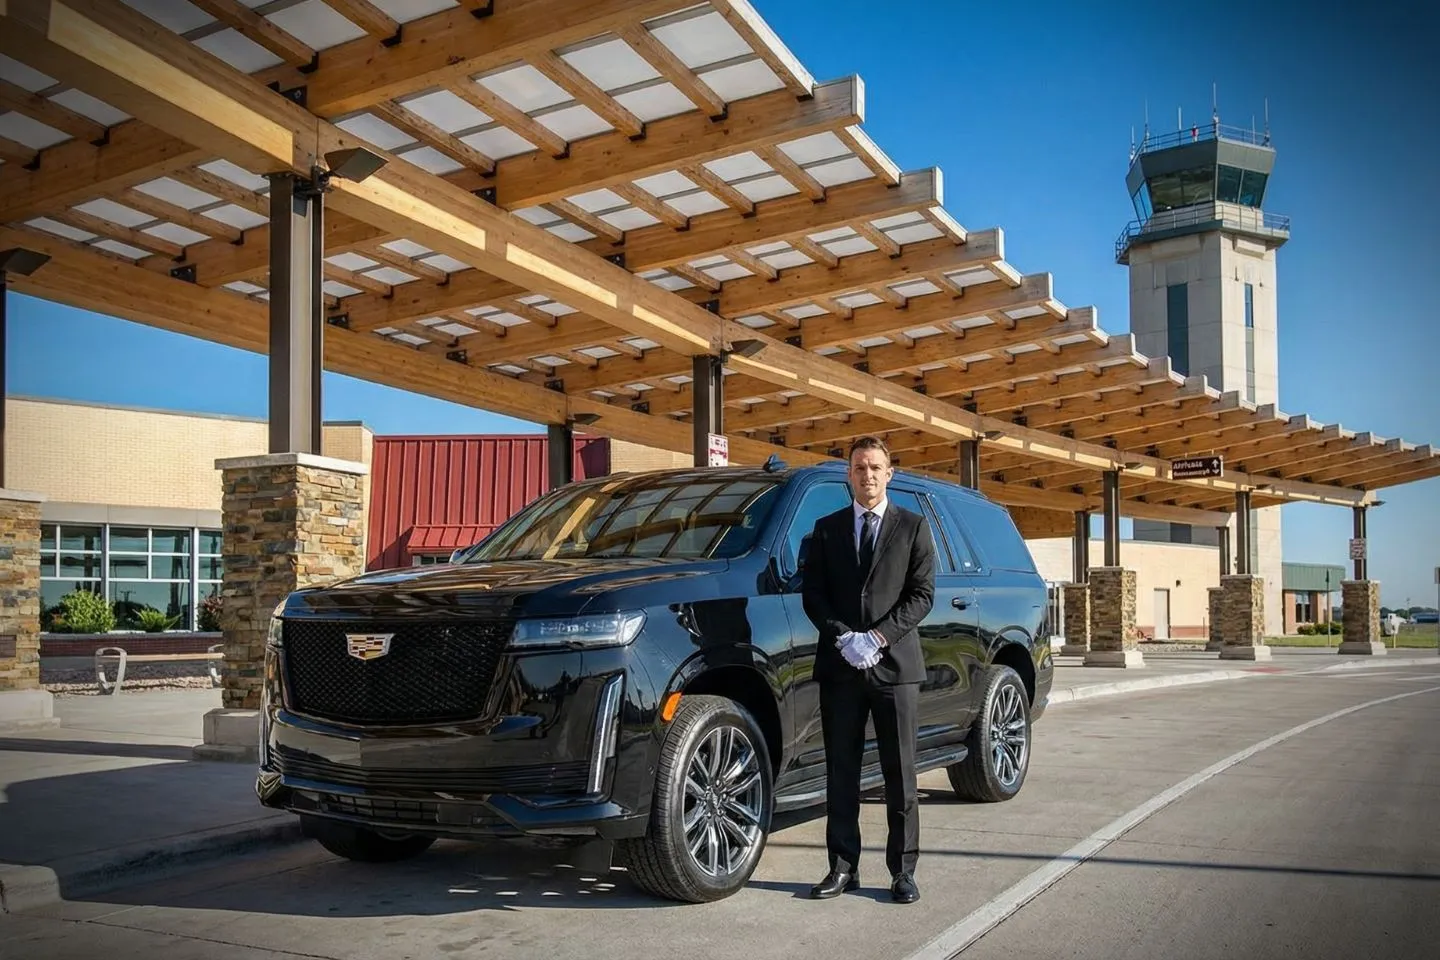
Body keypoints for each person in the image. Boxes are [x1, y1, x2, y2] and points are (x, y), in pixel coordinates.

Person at [801, 435, 936, 904]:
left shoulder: (914, 527)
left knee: (900, 774)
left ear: (889, 473)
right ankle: (842, 868)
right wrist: (844, 636)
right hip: (841, 668)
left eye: (876, 467)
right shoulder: (826, 529)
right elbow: (812, 594)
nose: (868, 475)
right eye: (860, 467)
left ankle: (903, 872)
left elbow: (921, 596)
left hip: (896, 668)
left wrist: (877, 638)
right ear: (849, 474)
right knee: (841, 772)